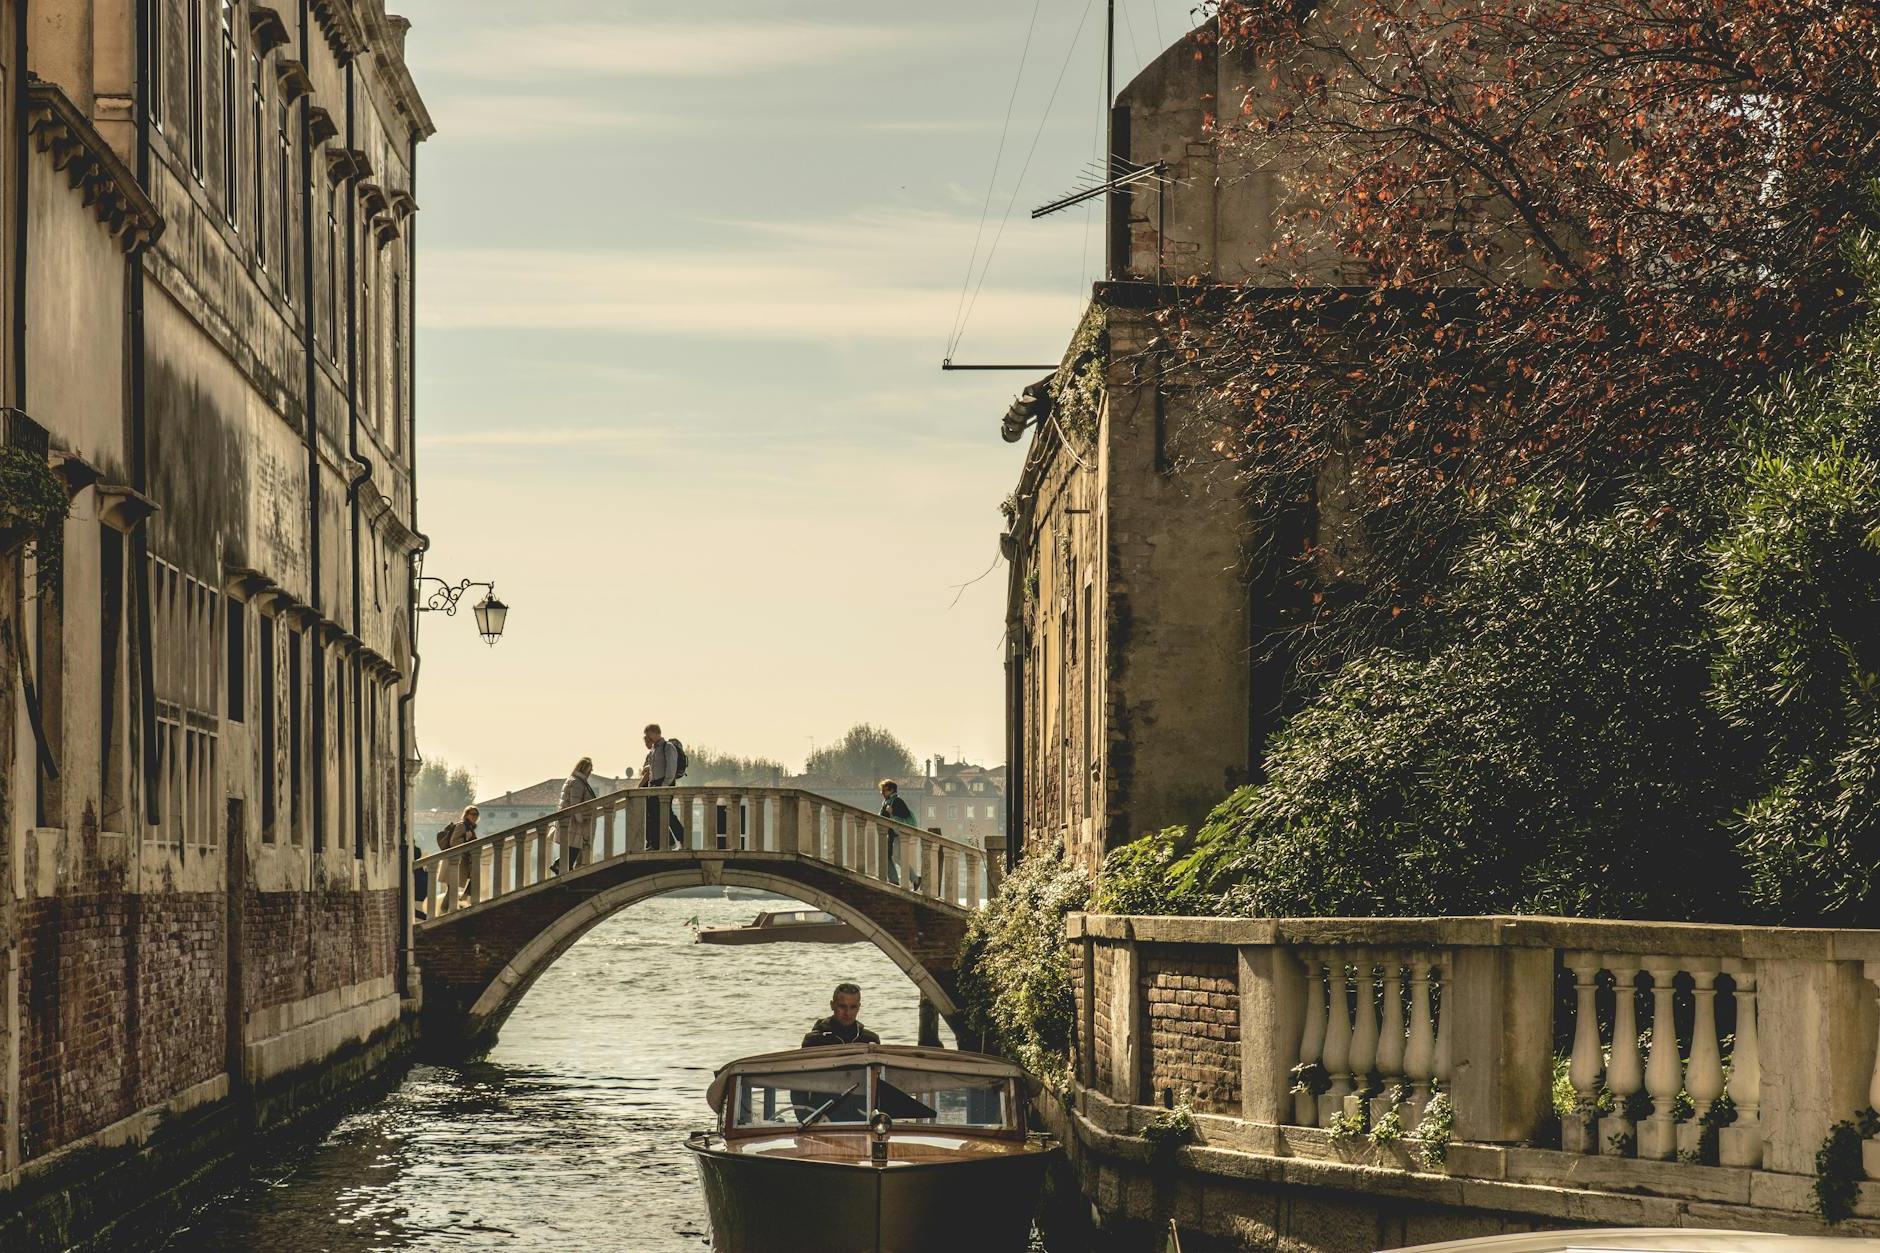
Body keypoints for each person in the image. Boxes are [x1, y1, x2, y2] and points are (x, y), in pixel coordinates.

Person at [641, 724, 686, 850]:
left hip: (664, 784)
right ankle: (657, 844)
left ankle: (683, 839)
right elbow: (654, 769)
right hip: (654, 785)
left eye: (648, 734)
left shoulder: (668, 747)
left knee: (667, 814)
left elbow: (671, 768)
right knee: (654, 815)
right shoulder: (654, 749)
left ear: (656, 733)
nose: (647, 737)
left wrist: (665, 785)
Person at [553, 756, 597, 873]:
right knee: (574, 846)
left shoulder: (574, 779)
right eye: (590, 769)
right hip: (575, 821)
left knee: (572, 847)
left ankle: (559, 865)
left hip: (570, 820)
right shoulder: (577, 782)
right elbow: (575, 804)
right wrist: (581, 820)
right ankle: (559, 866)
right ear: (585, 769)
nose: (591, 772)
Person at [802, 982, 881, 1048]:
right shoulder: (814, 1040)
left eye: (853, 1007)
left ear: (858, 1007)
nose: (847, 1013)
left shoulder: (870, 1039)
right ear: (832, 1005)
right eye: (842, 1007)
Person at [435, 805, 480, 909]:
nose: (475, 816)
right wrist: (466, 840)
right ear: (466, 815)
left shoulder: (469, 827)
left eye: (476, 814)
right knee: (452, 890)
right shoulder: (462, 826)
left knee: (452, 890)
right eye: (472, 814)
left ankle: (447, 909)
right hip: (454, 862)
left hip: (459, 863)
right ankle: (443, 912)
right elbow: (453, 842)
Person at [878, 779, 915, 887]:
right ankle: (897, 880)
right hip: (892, 835)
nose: (882, 793)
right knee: (889, 856)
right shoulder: (886, 802)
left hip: (898, 834)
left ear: (892, 790)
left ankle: (910, 879)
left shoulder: (897, 801)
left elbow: (904, 816)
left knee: (894, 857)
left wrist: (891, 812)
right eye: (882, 791)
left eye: (884, 791)